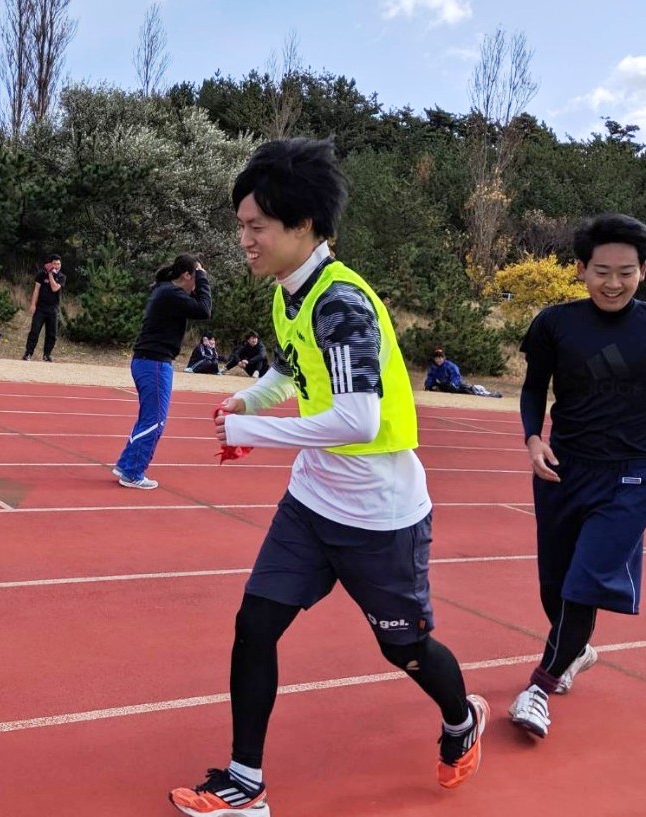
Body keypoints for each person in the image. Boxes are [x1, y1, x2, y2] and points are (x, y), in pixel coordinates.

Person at [170, 138, 487, 816]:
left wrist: (253, 431)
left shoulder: (340, 300)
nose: (243, 240)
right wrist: (248, 400)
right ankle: (244, 781)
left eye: (255, 227)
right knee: (254, 624)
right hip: (313, 504)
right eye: (240, 226)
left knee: (403, 646)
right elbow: (293, 366)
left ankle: (461, 719)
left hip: (379, 515)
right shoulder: (292, 295)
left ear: (304, 226)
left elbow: (357, 417)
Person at [508, 213, 646, 738]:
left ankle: (539, 689)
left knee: (584, 584)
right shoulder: (554, 323)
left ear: (644, 271)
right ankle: (576, 649)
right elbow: (532, 389)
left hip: (630, 478)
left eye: (625, 272)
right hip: (562, 471)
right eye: (601, 271)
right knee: (554, 586)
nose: (612, 283)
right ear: (580, 270)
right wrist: (532, 439)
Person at [113, 254, 211, 490]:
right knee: (155, 420)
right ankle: (133, 472)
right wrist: (204, 277)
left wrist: (199, 277)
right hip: (154, 363)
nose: (196, 283)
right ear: (187, 275)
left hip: (149, 361)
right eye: (194, 277)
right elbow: (204, 309)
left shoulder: (167, 291)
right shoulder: (170, 294)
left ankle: (128, 464)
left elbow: (197, 304)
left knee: (149, 417)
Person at [23, 253, 65, 361]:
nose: (57, 266)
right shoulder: (41, 274)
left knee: (52, 334)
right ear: (50, 263)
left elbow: (55, 288)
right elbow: (36, 290)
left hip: (53, 309)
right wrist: (33, 304)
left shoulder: (61, 276)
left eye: (59, 264)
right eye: (55, 264)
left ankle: (47, 355)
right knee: (34, 331)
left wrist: (51, 274)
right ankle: (28, 353)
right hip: (41, 308)